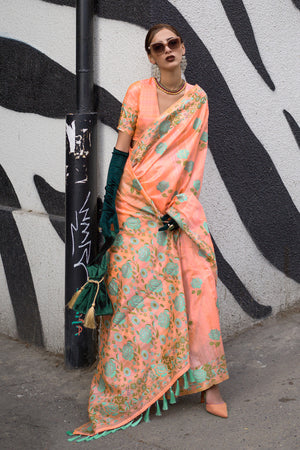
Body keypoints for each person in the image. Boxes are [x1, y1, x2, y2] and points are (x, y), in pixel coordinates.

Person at [70, 23, 229, 441]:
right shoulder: (137, 93)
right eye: (158, 47)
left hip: (176, 207)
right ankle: (128, 386)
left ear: (182, 49)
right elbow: (122, 150)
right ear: (152, 57)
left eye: (173, 43)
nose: (167, 50)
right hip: (134, 204)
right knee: (134, 295)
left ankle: (208, 385)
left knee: (197, 281)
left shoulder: (198, 100)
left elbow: (195, 159)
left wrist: (181, 207)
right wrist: (108, 208)